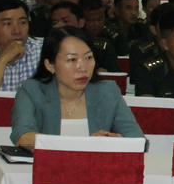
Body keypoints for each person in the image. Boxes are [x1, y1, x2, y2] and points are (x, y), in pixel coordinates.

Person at [8, 27, 143, 147]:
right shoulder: (32, 91)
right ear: (50, 65)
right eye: (72, 59)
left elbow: (137, 138)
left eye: (88, 57)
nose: (82, 67)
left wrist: (116, 142)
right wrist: (85, 144)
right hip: (48, 166)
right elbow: (23, 136)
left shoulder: (107, 91)